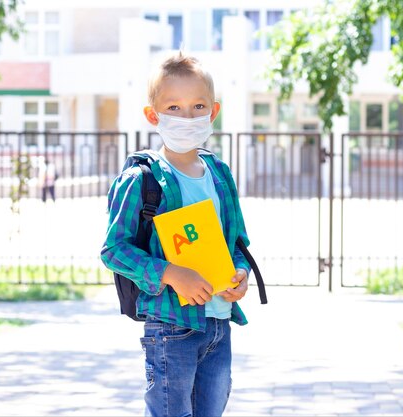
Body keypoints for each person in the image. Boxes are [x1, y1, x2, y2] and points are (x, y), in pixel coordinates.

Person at [100, 52, 252, 417]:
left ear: (213, 111)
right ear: (154, 115)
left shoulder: (219, 174)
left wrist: (241, 275)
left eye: (198, 105)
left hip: (219, 323)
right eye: (175, 107)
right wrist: (172, 273)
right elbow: (114, 250)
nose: (188, 116)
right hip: (171, 328)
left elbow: (237, 245)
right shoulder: (142, 179)